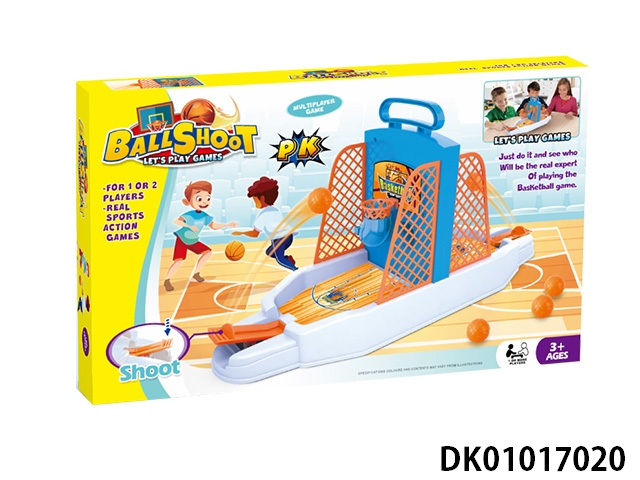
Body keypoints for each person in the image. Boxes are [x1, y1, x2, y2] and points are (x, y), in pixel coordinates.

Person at [164, 180, 238, 292]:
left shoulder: (205, 216)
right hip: (182, 239)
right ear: (188, 202)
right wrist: (189, 226)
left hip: (193, 240)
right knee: (178, 261)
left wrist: (227, 225)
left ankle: (196, 273)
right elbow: (176, 221)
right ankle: (167, 280)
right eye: (199, 199)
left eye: (208, 198)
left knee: (207, 252)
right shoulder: (189, 214)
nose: (204, 202)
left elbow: (213, 226)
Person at [233, 176, 297, 271]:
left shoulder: (263, 214)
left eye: (255, 200)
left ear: (262, 199)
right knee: (269, 252)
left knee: (280, 260)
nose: (254, 203)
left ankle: (296, 270)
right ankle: (288, 259)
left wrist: (242, 233)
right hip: (289, 236)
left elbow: (255, 234)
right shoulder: (275, 209)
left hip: (280, 238)